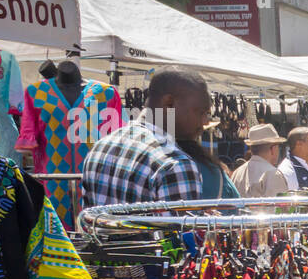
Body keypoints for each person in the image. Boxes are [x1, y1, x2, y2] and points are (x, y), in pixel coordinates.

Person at [83, 66, 239, 205]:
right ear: (169, 104)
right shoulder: (174, 164)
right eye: (201, 112)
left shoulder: (100, 148)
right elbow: (184, 236)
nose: (205, 122)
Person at [229, 123, 289, 198]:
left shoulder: (237, 173)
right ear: (273, 149)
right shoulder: (272, 174)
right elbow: (281, 208)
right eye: (278, 146)